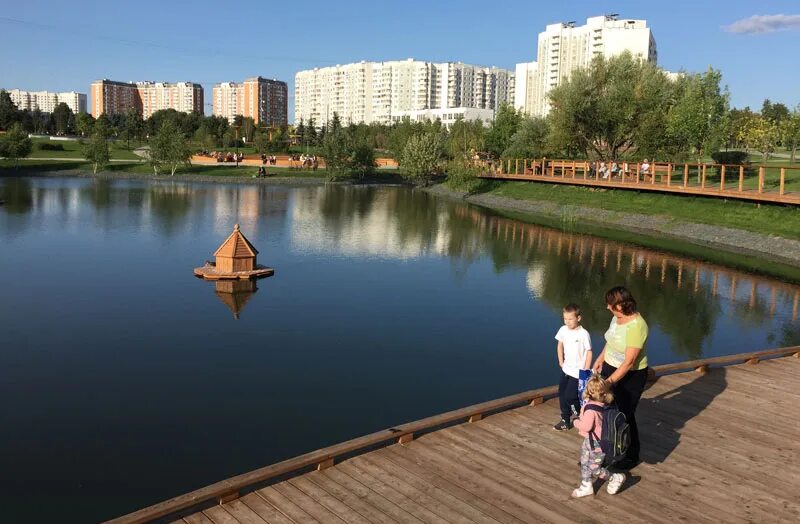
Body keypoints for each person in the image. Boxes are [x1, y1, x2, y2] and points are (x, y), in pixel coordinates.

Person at [592, 286, 649, 470]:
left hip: (630, 376)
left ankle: (631, 455)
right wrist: (601, 358)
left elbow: (629, 361)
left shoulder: (637, 326)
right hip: (610, 367)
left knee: (624, 414)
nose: (607, 307)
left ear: (620, 305)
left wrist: (608, 383)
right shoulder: (617, 318)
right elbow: (611, 339)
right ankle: (607, 450)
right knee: (607, 410)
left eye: (610, 305)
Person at [571, 375, 626, 497]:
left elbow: (586, 427)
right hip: (590, 440)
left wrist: (575, 421)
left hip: (597, 444)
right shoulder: (604, 404)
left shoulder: (591, 410)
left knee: (594, 468)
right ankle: (586, 485)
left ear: (589, 391)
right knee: (584, 462)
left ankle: (614, 477)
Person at [553, 304, 593, 431]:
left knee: (571, 396)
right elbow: (559, 345)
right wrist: (561, 361)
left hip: (578, 372)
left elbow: (589, 351)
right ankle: (565, 419)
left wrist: (585, 370)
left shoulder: (583, 334)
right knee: (562, 393)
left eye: (570, 319)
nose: (567, 322)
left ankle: (581, 414)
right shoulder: (563, 330)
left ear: (578, 318)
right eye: (565, 319)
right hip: (566, 369)